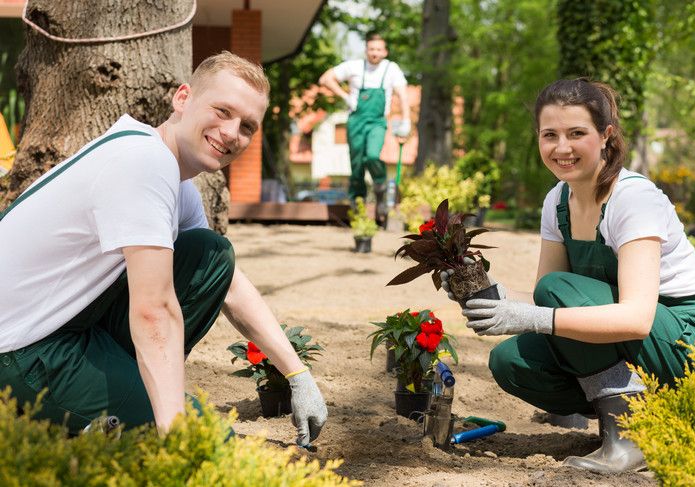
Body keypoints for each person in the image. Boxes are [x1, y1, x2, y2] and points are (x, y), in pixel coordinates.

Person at [0, 51, 327, 446]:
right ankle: (106, 417)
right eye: (222, 110)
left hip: (63, 327)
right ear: (183, 98)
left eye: (246, 126)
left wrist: (297, 374)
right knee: (208, 438)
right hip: (22, 351)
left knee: (211, 254)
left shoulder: (171, 174)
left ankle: (122, 399)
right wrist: (174, 430)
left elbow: (229, 285)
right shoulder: (144, 163)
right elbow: (154, 310)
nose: (231, 132)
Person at [442, 78, 695, 473]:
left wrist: (535, 318)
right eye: (550, 135)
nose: (562, 147)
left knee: (554, 293)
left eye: (577, 133)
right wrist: (495, 295)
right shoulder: (557, 200)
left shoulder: (633, 198)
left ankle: (630, 438)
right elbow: (548, 296)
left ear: (605, 136)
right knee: (512, 361)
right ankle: (645, 414)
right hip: (644, 343)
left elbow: (636, 317)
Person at [319, 31, 411, 224]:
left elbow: (403, 94)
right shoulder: (354, 66)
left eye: (378, 49)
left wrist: (406, 120)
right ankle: (358, 207)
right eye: (371, 49)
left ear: (385, 52)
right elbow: (325, 79)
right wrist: (345, 97)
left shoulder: (391, 69)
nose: (375, 53)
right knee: (357, 165)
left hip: (377, 121)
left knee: (372, 156)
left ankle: (380, 190)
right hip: (355, 120)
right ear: (366, 50)